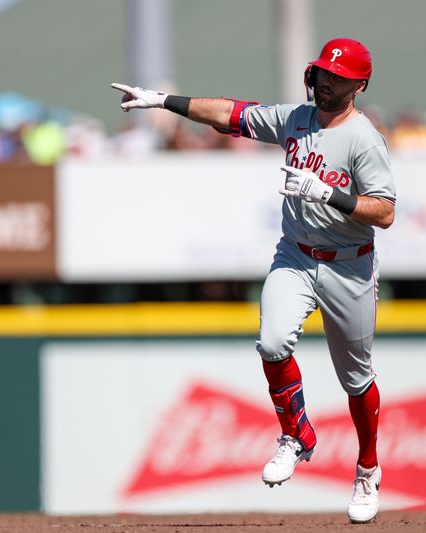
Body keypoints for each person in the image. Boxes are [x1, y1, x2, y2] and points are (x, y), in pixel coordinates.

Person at [111, 37, 396, 524]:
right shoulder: (296, 119)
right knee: (271, 342)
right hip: (296, 255)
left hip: (349, 263)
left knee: (356, 377)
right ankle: (297, 435)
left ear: (359, 86)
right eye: (324, 74)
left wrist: (330, 194)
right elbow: (231, 113)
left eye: (339, 78)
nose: (327, 83)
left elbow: (385, 212)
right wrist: (164, 101)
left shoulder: (363, 138)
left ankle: (367, 468)